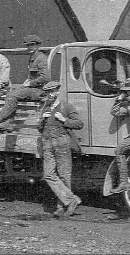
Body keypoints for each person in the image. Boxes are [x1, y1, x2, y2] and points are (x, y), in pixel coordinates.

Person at [38, 81, 83, 218]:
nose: (50, 95)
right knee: (49, 175)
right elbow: (40, 129)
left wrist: (64, 120)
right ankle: (71, 199)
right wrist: (42, 120)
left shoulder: (66, 107)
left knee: (64, 175)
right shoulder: (45, 107)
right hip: (48, 145)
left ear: (58, 92)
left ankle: (61, 207)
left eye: (53, 92)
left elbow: (79, 124)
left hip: (62, 143)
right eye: (48, 92)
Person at [0, 34, 50, 137]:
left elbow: (46, 78)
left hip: (39, 90)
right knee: (12, 92)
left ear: (38, 45)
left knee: (12, 96)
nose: (30, 48)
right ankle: (8, 124)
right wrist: (27, 81)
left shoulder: (41, 58)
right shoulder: (33, 57)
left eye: (32, 45)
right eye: (28, 45)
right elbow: (33, 75)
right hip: (33, 88)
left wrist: (30, 83)